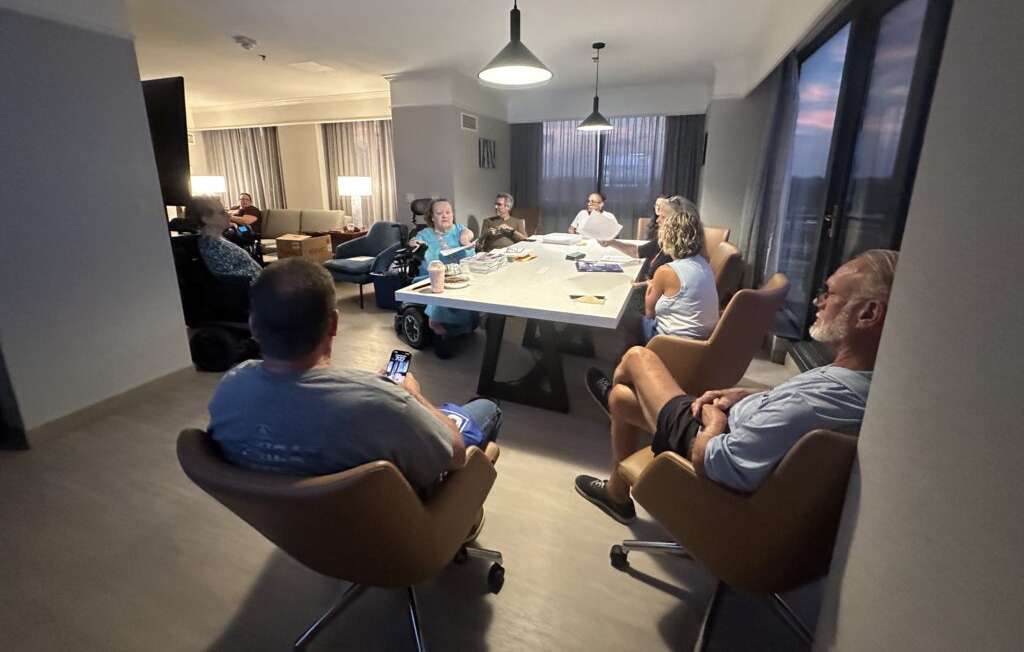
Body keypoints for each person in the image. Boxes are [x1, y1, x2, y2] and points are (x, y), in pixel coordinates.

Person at [574, 249, 898, 523]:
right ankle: (617, 493)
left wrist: (714, 421)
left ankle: (621, 400)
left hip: (710, 442)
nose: (818, 300)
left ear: (868, 314)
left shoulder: (813, 403)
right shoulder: (866, 383)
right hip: (740, 428)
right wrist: (753, 394)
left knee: (636, 356)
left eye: (830, 294)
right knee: (622, 399)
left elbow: (715, 460)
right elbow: (790, 409)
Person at [207, 258, 501, 495]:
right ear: (333, 323)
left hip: (298, 531)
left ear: (253, 326)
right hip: (394, 530)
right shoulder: (383, 402)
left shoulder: (229, 390)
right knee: (486, 408)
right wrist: (411, 395)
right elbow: (456, 455)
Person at [586, 210, 719, 404]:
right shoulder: (703, 264)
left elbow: (649, 313)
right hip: (701, 343)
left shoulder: (667, 271)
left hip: (670, 344)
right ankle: (629, 366)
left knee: (626, 314)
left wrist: (654, 287)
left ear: (669, 237)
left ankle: (619, 386)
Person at [408, 198, 476, 335]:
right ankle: (436, 321)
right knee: (442, 291)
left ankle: (466, 324)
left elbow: (468, 232)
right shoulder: (425, 233)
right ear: (432, 217)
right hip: (433, 276)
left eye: (448, 212)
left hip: (460, 274)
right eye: (439, 213)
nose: (445, 215)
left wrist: (464, 239)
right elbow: (414, 241)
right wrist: (415, 243)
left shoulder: (459, 229)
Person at [185, 194, 262, 283]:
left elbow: (246, 221)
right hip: (259, 290)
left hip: (247, 230)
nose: (228, 215)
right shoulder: (215, 247)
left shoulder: (251, 209)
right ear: (206, 219)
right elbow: (237, 283)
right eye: (222, 212)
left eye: (246, 199)